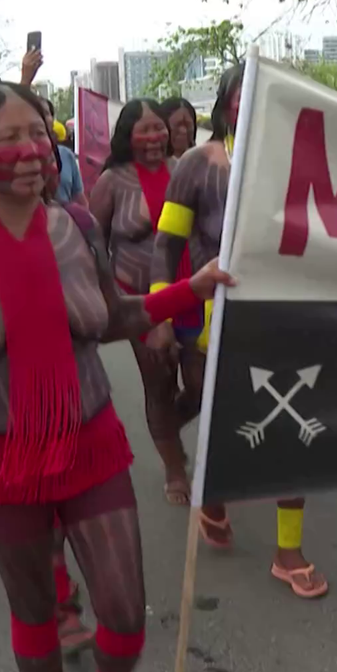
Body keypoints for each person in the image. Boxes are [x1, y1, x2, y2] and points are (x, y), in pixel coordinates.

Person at [0, 81, 231, 672]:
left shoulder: (79, 227)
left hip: (92, 447)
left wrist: (188, 292)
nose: (32, 148)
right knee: (35, 614)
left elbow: (114, 316)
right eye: (9, 137)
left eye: (38, 132)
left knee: (123, 618)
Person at [151, 64, 329, 600]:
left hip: (289, 317)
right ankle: (213, 494)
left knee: (295, 430)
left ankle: (288, 551)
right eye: (241, 96)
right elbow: (166, 246)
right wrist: (161, 313)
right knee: (226, 427)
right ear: (226, 104)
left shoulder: (308, 165)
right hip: (217, 323)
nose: (249, 105)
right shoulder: (197, 165)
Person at [90, 98, 198, 507]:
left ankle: (169, 427)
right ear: (127, 137)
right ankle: (174, 467)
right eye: (144, 130)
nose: (155, 137)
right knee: (160, 385)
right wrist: (106, 296)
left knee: (203, 384)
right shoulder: (112, 182)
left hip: (193, 294)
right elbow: (92, 241)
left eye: (160, 128)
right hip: (140, 304)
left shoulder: (186, 169)